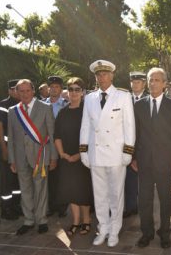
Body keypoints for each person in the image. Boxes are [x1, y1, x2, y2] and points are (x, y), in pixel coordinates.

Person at [79, 60, 135, 247]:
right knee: (99, 195)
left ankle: (114, 230)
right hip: (96, 154)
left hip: (116, 154)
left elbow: (129, 126)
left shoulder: (123, 96)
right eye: (98, 74)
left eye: (105, 74)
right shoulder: (90, 98)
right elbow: (85, 126)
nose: (101, 77)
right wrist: (83, 151)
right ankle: (102, 228)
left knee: (115, 194)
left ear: (112, 76)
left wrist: (128, 150)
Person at [131, 67, 171, 249]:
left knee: (165, 200)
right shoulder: (139, 105)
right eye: (150, 80)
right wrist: (133, 157)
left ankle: (165, 233)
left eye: (156, 80)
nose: (152, 83)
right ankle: (146, 233)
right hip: (144, 162)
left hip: (166, 163)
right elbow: (135, 134)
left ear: (164, 84)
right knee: (144, 200)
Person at [8, 79, 57, 235]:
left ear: (33, 90)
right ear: (17, 92)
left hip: (39, 156)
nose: (25, 94)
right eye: (21, 91)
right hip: (20, 157)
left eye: (27, 90)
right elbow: (10, 137)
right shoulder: (13, 111)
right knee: (25, 189)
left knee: (41, 188)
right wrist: (12, 159)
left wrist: (53, 157)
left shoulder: (45, 108)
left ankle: (41, 219)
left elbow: (52, 134)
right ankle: (28, 220)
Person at [54, 77, 93, 236]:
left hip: (83, 157)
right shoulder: (62, 112)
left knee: (83, 191)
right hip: (66, 158)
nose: (74, 93)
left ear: (83, 92)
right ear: (67, 92)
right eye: (71, 89)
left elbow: (92, 136)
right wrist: (62, 153)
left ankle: (86, 221)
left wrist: (79, 155)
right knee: (71, 191)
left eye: (77, 89)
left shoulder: (87, 111)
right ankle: (75, 221)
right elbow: (57, 135)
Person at [0, 79, 21, 220]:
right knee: (7, 180)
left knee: (17, 180)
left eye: (19, 89)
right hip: (7, 148)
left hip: (20, 150)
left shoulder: (22, 105)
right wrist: (3, 149)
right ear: (9, 90)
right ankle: (6, 209)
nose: (17, 91)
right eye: (14, 89)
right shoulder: (3, 105)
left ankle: (16, 206)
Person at [123, 71, 148, 219]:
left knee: (145, 181)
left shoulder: (149, 99)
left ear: (143, 84)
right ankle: (131, 206)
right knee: (129, 179)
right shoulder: (124, 99)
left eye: (138, 82)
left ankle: (144, 207)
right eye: (133, 82)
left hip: (144, 146)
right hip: (128, 146)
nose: (135, 84)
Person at [43, 76, 68, 217]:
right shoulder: (40, 104)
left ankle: (62, 206)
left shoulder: (65, 104)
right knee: (49, 177)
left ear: (61, 89)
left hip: (61, 146)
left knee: (62, 177)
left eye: (57, 87)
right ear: (48, 88)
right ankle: (51, 205)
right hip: (45, 146)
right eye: (51, 87)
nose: (53, 89)